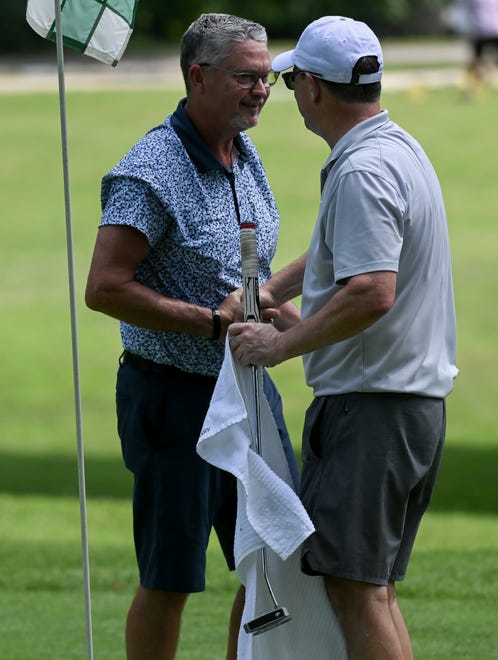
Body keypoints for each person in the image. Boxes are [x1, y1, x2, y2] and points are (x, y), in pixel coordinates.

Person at [229, 15, 458, 660]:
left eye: (293, 78)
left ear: (316, 90)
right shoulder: (394, 148)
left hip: (373, 409)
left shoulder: (362, 171)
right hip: (400, 405)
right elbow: (340, 257)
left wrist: (280, 346)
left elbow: (370, 290)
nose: (290, 90)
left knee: (356, 590)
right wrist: (274, 293)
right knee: (372, 591)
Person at [85, 13, 300, 660]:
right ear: (198, 76)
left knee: (271, 554)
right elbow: (105, 287)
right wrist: (211, 322)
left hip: (248, 393)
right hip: (173, 398)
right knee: (171, 573)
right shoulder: (150, 170)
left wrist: (309, 331)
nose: (261, 89)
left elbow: (246, 279)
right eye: (246, 77)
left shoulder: (242, 150)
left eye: (266, 77)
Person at [461, 0, 498, 83]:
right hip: (484, 29)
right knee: (478, 59)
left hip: (493, 29)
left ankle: (473, 79)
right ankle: (473, 80)